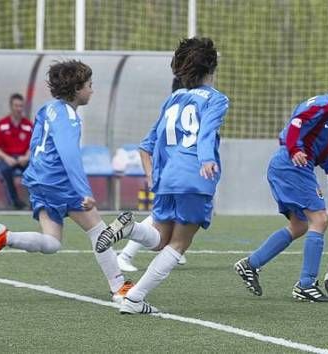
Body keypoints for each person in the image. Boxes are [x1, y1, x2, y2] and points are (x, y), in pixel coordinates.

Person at [0, 60, 161, 304]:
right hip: (57, 181)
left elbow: (35, 145)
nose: (92, 90)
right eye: (89, 85)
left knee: (52, 242)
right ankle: (119, 287)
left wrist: (36, 175)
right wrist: (83, 191)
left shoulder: (47, 109)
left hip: (38, 180)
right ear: (77, 89)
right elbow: (70, 155)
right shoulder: (69, 117)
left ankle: (5, 237)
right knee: (98, 230)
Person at [95, 37, 229, 314]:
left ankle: (131, 229)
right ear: (212, 68)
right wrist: (205, 159)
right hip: (194, 178)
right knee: (179, 244)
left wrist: (152, 176)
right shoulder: (217, 99)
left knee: (161, 240)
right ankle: (134, 299)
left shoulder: (173, 98)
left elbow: (147, 145)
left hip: (167, 178)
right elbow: (205, 134)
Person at [234, 62, 328, 302]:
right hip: (292, 166)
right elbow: (296, 123)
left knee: (300, 225)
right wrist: (295, 148)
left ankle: (250, 264)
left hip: (287, 165)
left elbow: (320, 143)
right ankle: (306, 284)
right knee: (320, 219)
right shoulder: (327, 106)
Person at [116, 76, 188, 273]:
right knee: (162, 216)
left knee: (173, 215)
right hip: (178, 173)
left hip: (167, 172)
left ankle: (173, 248)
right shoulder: (190, 108)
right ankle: (125, 255)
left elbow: (145, 146)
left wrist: (150, 175)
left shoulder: (169, 109)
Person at [0, 93, 32, 209]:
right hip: (5, 158)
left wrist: (26, 157)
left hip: (23, 158)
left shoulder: (28, 125)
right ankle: (14, 202)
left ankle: (33, 202)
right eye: (16, 106)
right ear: (11, 106)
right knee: (5, 170)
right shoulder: (1, 125)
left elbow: (34, 146)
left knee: (34, 171)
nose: (19, 109)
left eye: (21, 106)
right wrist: (7, 158)